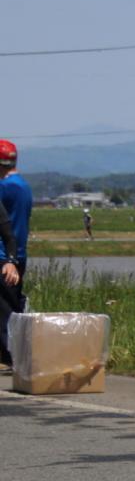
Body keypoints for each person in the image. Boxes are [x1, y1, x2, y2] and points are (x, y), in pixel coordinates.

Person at [0, 140, 31, 371]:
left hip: (5, 257)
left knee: (5, 310)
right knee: (11, 306)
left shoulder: (6, 187)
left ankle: (9, 357)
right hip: (18, 255)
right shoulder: (23, 185)